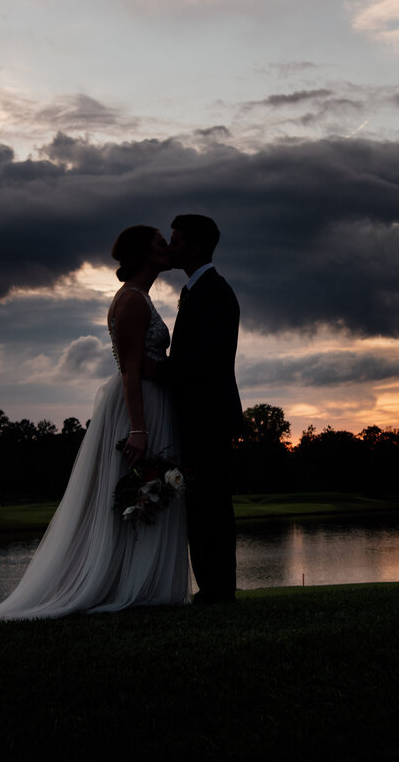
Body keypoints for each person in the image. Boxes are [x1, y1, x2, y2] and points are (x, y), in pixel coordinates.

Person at [0, 225, 189, 623]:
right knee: (135, 488)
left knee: (148, 491)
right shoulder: (131, 301)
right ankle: (121, 585)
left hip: (152, 401)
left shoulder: (141, 298)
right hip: (136, 406)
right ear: (144, 253)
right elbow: (129, 369)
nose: (167, 249)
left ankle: (142, 583)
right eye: (161, 244)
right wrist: (139, 429)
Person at [163, 214, 244, 604]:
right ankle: (212, 587)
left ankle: (218, 589)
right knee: (201, 502)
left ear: (195, 247)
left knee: (210, 502)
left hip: (208, 416)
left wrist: (157, 369)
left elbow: (207, 359)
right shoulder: (200, 289)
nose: (170, 246)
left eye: (176, 241)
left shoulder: (214, 292)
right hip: (198, 414)